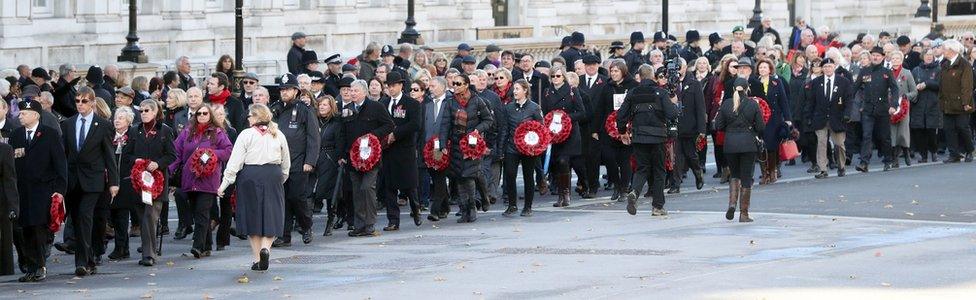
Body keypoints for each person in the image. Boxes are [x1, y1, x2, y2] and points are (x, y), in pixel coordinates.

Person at [218, 104, 291, 271]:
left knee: (253, 217)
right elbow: (286, 161)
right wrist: (282, 177)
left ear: (257, 117)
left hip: (250, 175)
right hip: (273, 174)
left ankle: (257, 258)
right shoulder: (278, 134)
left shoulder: (246, 134)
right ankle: (266, 249)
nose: (248, 118)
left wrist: (224, 184)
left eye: (250, 116)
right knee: (272, 214)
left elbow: (235, 162)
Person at [60, 86, 119, 277]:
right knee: (77, 220)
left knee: (86, 217)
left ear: (93, 102)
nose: (80, 104)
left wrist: (113, 182)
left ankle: (82, 262)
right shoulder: (67, 124)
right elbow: (64, 155)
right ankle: (90, 259)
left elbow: (109, 155)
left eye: (84, 101)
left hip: (93, 181)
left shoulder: (102, 125)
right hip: (73, 180)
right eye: (77, 101)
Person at [10, 99, 67, 282]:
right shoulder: (16, 135)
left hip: (43, 189)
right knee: (25, 229)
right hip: (22, 190)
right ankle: (31, 267)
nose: (20, 116)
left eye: (24, 113)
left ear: (35, 115)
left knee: (39, 229)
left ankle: (40, 265)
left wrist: (60, 189)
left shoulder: (49, 134)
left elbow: (60, 163)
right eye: (20, 113)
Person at [170, 102, 231, 259]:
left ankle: (197, 246)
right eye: (199, 114)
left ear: (210, 115)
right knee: (198, 212)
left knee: (202, 212)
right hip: (190, 179)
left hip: (208, 179)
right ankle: (207, 245)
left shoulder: (217, 132)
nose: (202, 116)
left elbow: (228, 150)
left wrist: (212, 153)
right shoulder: (187, 132)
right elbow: (176, 152)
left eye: (205, 113)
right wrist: (168, 170)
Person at [122, 100, 177, 265]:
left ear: (154, 112)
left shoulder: (164, 130)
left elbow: (172, 155)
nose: (143, 113)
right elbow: (126, 154)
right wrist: (136, 160)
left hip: (157, 182)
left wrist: (158, 164)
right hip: (139, 182)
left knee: (150, 217)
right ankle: (148, 251)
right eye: (141, 110)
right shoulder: (134, 130)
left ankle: (149, 254)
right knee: (142, 217)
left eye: (147, 110)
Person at [618, 66, 679, 216]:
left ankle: (635, 191)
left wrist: (622, 131)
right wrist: (674, 103)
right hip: (658, 137)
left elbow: (621, 116)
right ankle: (657, 206)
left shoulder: (632, 93)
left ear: (639, 76)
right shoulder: (661, 92)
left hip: (639, 137)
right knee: (659, 171)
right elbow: (672, 114)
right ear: (653, 76)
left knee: (641, 168)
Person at [269, 74, 320, 246]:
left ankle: (306, 226)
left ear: (296, 91)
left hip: (299, 161)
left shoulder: (305, 110)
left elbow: (314, 137)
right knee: (282, 199)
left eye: (288, 89)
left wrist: (310, 161)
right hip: (278, 162)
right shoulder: (274, 109)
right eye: (282, 89)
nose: (284, 92)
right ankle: (284, 236)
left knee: (297, 197)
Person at [338, 79, 393, 235]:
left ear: (364, 92)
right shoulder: (347, 109)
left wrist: (372, 136)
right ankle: (359, 225)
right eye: (351, 91)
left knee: (367, 187)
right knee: (356, 190)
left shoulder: (376, 107)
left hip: (371, 156)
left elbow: (389, 125)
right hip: (353, 157)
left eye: (356, 91)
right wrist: (342, 154)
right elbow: (342, 134)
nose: (352, 93)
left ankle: (370, 224)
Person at [439, 75, 493, 223]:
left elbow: (488, 120)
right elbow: (445, 125)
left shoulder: (476, 101)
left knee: (468, 176)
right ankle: (464, 210)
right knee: (459, 177)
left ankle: (472, 208)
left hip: (472, 145)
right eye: (454, 83)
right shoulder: (450, 103)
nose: (455, 86)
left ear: (466, 85)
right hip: (456, 145)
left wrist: (477, 130)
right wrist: (443, 144)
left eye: (458, 83)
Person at [714, 78, 764, 223]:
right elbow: (761, 126)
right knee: (746, 177)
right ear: (747, 88)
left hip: (730, 144)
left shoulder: (726, 104)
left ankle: (731, 204)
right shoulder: (752, 104)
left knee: (734, 174)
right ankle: (744, 213)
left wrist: (730, 130)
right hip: (748, 144)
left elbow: (718, 125)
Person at [379, 71, 422, 231]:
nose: (391, 88)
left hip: (405, 149)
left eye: (394, 85)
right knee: (389, 186)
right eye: (388, 86)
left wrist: (395, 134)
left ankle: (416, 209)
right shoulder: (383, 103)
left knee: (409, 184)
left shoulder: (412, 103)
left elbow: (415, 125)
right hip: (388, 150)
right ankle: (393, 220)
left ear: (401, 85)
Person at [593, 60, 638, 201]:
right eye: (611, 71)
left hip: (626, 129)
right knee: (608, 158)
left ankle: (624, 188)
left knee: (625, 160)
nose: (613, 74)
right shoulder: (606, 87)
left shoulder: (633, 86)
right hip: (609, 129)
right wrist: (595, 129)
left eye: (616, 71)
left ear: (623, 71)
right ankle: (617, 185)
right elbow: (599, 109)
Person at [542, 66, 586, 207]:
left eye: (558, 76)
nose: (555, 79)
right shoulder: (548, 91)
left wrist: (565, 118)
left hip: (570, 132)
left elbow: (581, 112)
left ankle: (566, 194)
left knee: (563, 161)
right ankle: (560, 194)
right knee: (557, 164)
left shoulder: (572, 91)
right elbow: (545, 111)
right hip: (554, 133)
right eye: (553, 76)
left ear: (564, 77)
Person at [499, 79, 542, 216]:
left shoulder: (534, 107)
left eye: (517, 89)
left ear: (525, 90)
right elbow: (504, 128)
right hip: (512, 146)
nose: (514, 91)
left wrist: (537, 146)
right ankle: (512, 205)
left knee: (528, 176)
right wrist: (501, 148)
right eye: (514, 89)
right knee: (510, 174)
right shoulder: (508, 108)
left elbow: (540, 128)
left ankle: (527, 206)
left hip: (529, 148)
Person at [853, 47, 899, 172]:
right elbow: (854, 88)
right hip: (868, 109)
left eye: (878, 55)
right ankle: (864, 162)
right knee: (867, 135)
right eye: (873, 55)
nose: (875, 57)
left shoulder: (886, 72)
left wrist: (894, 105)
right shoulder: (864, 71)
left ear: (883, 57)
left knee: (884, 136)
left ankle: (888, 160)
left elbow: (895, 89)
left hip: (883, 109)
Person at [806, 58, 853, 179]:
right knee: (821, 143)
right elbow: (811, 101)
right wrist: (809, 116)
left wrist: (847, 114)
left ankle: (841, 166)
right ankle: (823, 169)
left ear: (834, 67)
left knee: (839, 144)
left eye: (830, 66)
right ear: (822, 68)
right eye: (825, 66)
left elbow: (849, 100)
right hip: (820, 117)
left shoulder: (843, 81)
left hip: (838, 117)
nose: (827, 69)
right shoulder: (816, 82)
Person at [670, 58, 707, 194]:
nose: (678, 69)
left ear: (685, 68)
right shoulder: (671, 83)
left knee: (691, 155)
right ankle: (676, 184)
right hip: (675, 125)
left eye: (680, 67)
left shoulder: (694, 84)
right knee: (677, 156)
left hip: (690, 126)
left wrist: (702, 130)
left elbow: (700, 108)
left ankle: (698, 174)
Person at [755, 59, 793, 184]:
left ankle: (772, 171)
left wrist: (788, 119)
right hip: (759, 119)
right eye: (760, 67)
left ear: (770, 69)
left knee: (772, 146)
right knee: (761, 146)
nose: (762, 69)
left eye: (765, 67)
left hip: (774, 118)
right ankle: (764, 173)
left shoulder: (777, 82)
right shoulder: (754, 82)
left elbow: (784, 101)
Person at [107, 107, 137, 261]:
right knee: (112, 215)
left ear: (129, 121)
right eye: (116, 117)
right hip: (111, 180)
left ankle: (121, 247)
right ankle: (122, 247)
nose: (117, 120)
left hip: (126, 181)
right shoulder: (109, 135)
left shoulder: (133, 136)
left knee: (122, 216)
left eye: (121, 118)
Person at [938, 40, 975, 163]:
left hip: (961, 103)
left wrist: (966, 102)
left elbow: (967, 86)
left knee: (962, 127)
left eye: (943, 49)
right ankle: (954, 154)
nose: (942, 51)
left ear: (951, 50)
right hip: (947, 103)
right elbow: (941, 84)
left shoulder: (964, 64)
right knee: (949, 129)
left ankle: (970, 150)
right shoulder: (945, 64)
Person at [578, 55, 608, 198]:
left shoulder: (604, 81)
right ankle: (584, 184)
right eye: (588, 64)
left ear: (598, 65)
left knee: (593, 158)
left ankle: (593, 186)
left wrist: (599, 127)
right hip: (582, 125)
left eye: (593, 64)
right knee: (582, 158)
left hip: (597, 125)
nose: (590, 67)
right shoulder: (580, 81)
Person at [313, 95, 343, 235]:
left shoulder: (336, 122)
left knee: (330, 192)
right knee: (312, 191)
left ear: (331, 107)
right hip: (315, 157)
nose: (322, 107)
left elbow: (339, 142)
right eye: (320, 105)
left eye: (325, 105)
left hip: (329, 158)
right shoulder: (314, 121)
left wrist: (338, 158)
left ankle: (331, 219)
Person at [423, 78, 452, 221]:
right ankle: (445, 207)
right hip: (428, 147)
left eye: (433, 86)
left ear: (442, 87)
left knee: (440, 177)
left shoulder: (450, 102)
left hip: (444, 145)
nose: (430, 89)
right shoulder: (426, 103)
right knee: (436, 177)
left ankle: (435, 210)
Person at [910, 49, 942, 162]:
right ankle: (923, 155)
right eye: (927, 55)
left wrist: (927, 84)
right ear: (922, 56)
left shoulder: (938, 69)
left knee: (931, 131)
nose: (929, 57)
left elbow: (940, 85)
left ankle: (933, 151)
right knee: (919, 131)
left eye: (931, 55)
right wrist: (916, 87)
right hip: (918, 104)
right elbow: (911, 84)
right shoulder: (916, 70)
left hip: (933, 104)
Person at [887, 51, 917, 168]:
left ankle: (906, 153)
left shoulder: (907, 73)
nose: (895, 60)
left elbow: (914, 91)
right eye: (893, 58)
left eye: (897, 58)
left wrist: (906, 97)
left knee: (903, 132)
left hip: (903, 106)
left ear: (901, 60)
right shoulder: (887, 73)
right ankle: (894, 158)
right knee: (892, 132)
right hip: (891, 106)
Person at [0, 134, 17, 276]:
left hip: (2, 200)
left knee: (5, 236)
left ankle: (5, 269)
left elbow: (9, 179)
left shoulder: (5, 149)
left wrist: (13, 205)